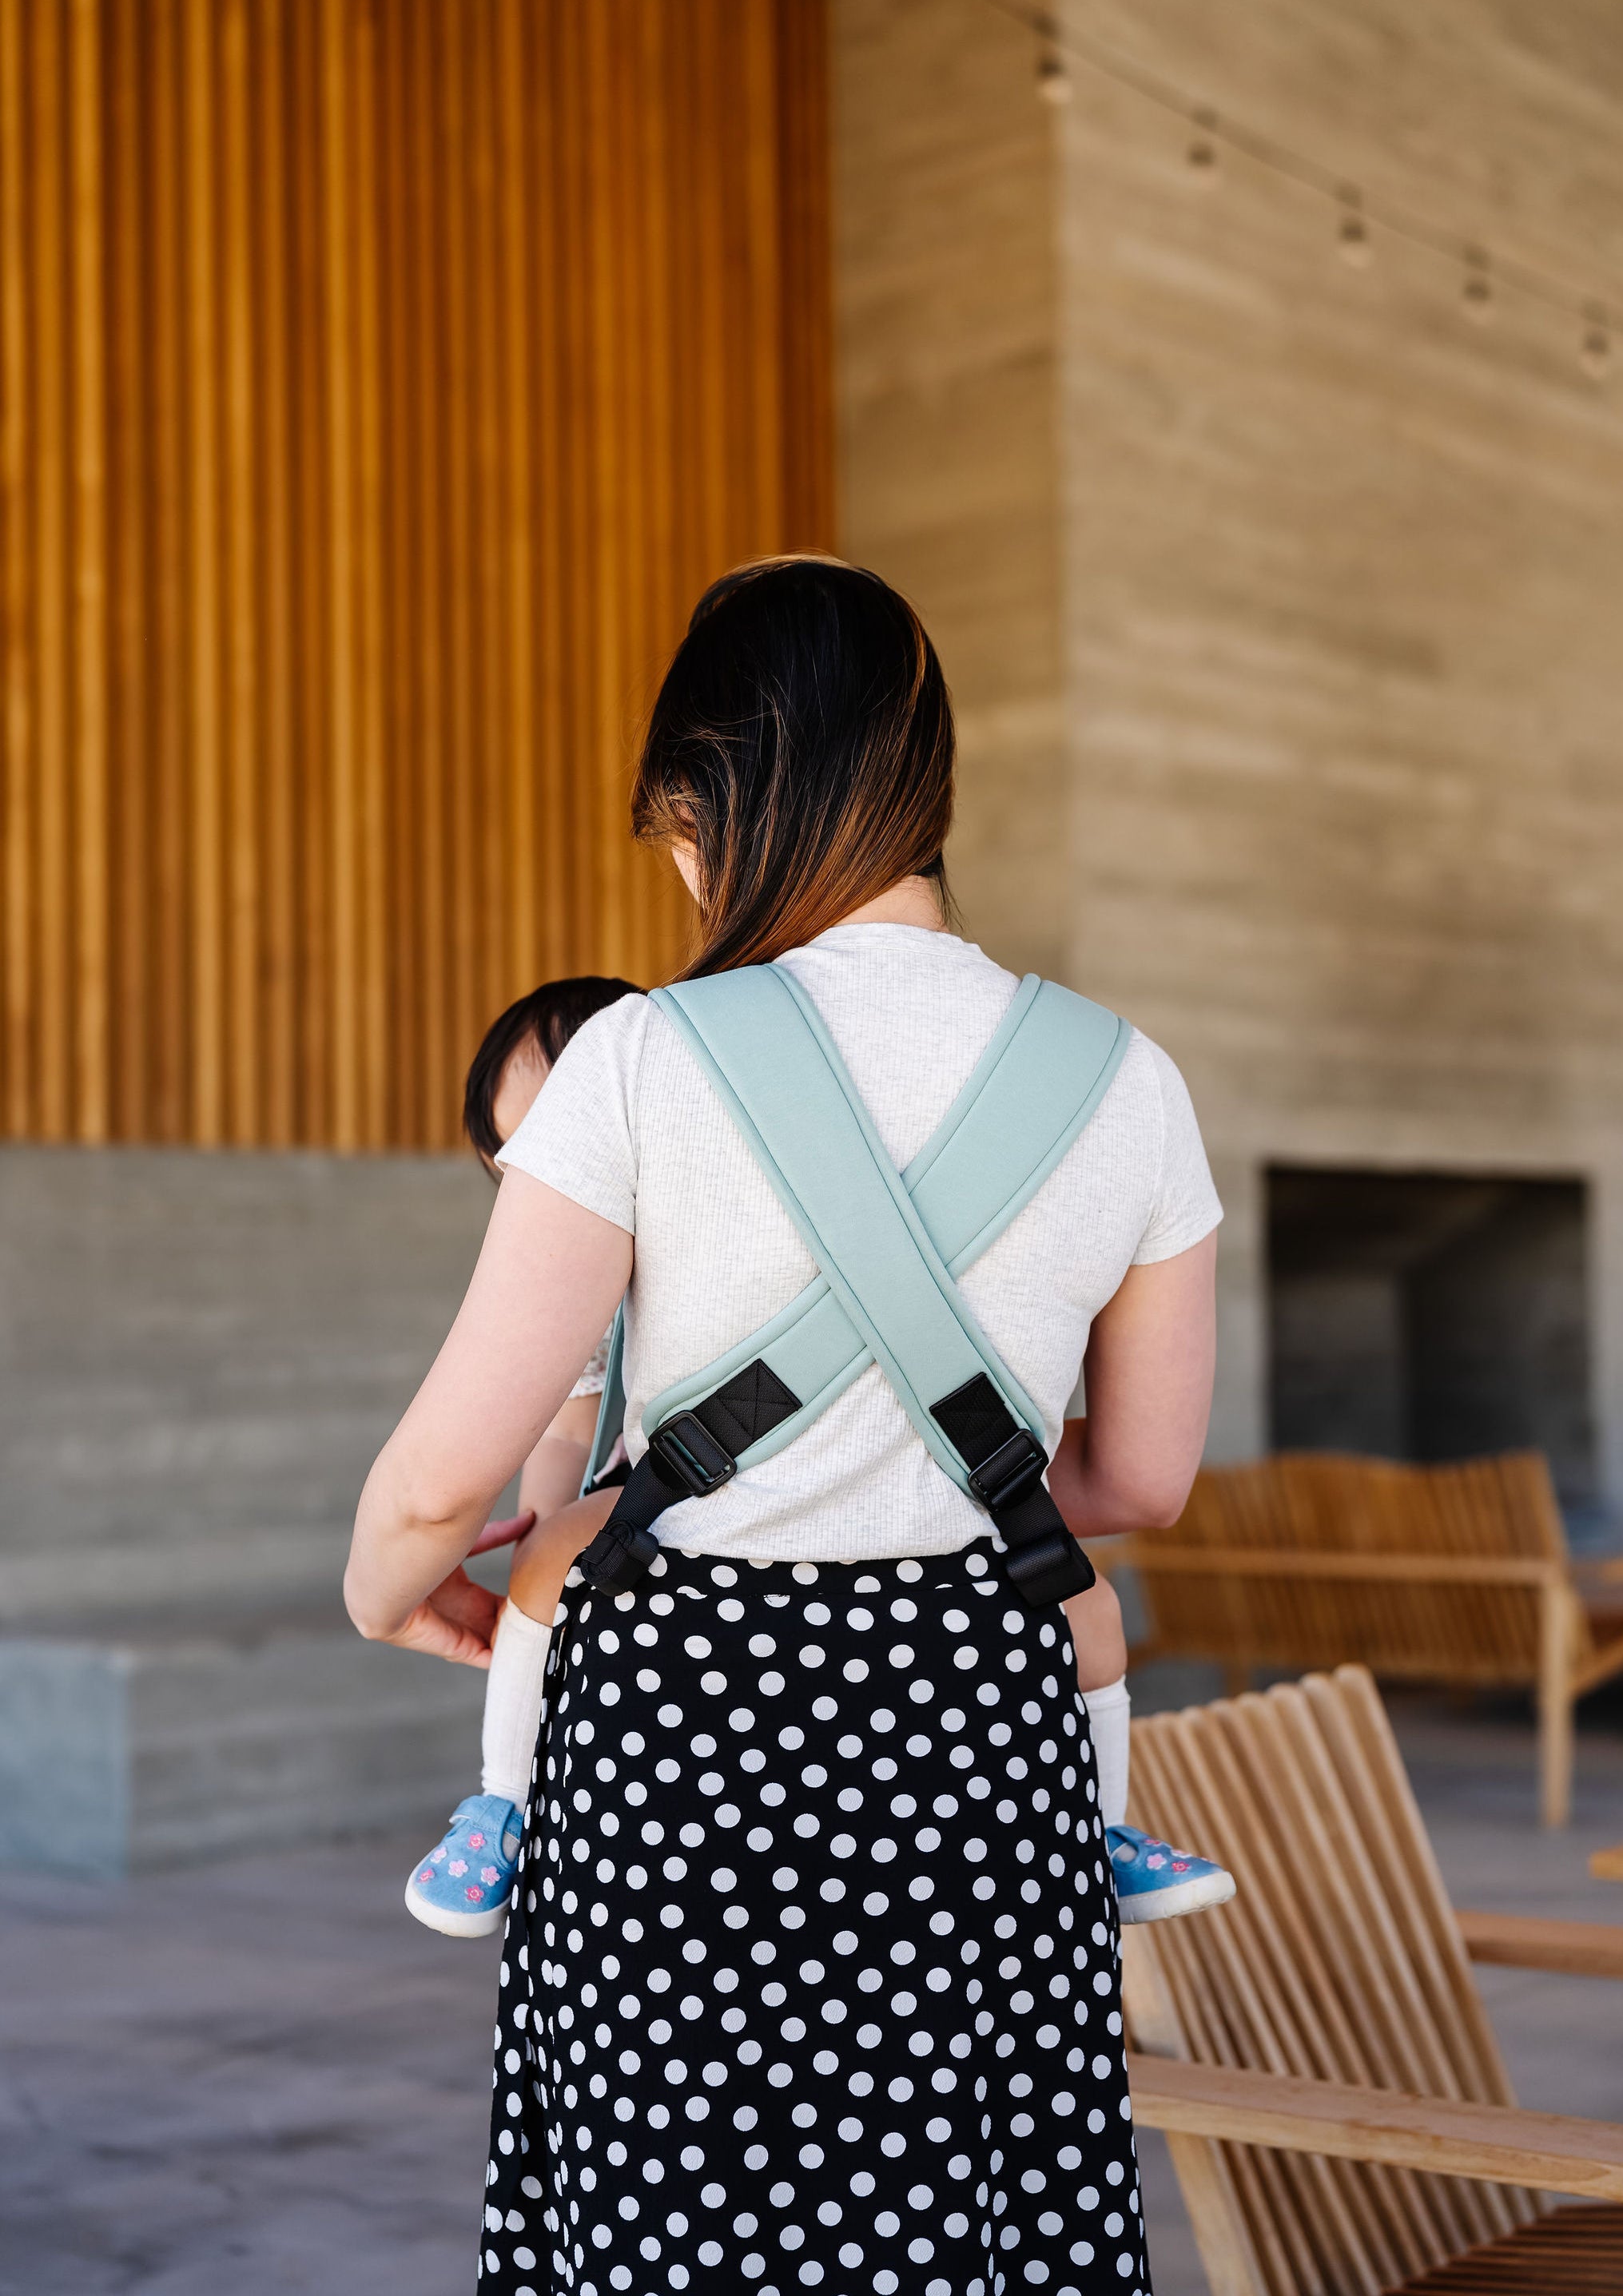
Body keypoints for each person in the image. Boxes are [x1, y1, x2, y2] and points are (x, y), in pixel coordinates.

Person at [347, 557, 1225, 2296]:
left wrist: (390, 1591)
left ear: (717, 799)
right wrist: (925, 1468)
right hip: (984, 1728)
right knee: (978, 2204)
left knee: (675, 2216)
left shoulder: (643, 1058)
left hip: (681, 1744)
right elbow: (1139, 1476)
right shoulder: (1125, 1079)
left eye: (676, 834)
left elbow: (445, 1474)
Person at [402, 975, 641, 1936]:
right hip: (632, 1512)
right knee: (547, 1565)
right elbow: (568, 1426)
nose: (548, 1182)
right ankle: (503, 1797)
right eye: (519, 1162)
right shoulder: (566, 1272)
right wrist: (543, 1534)